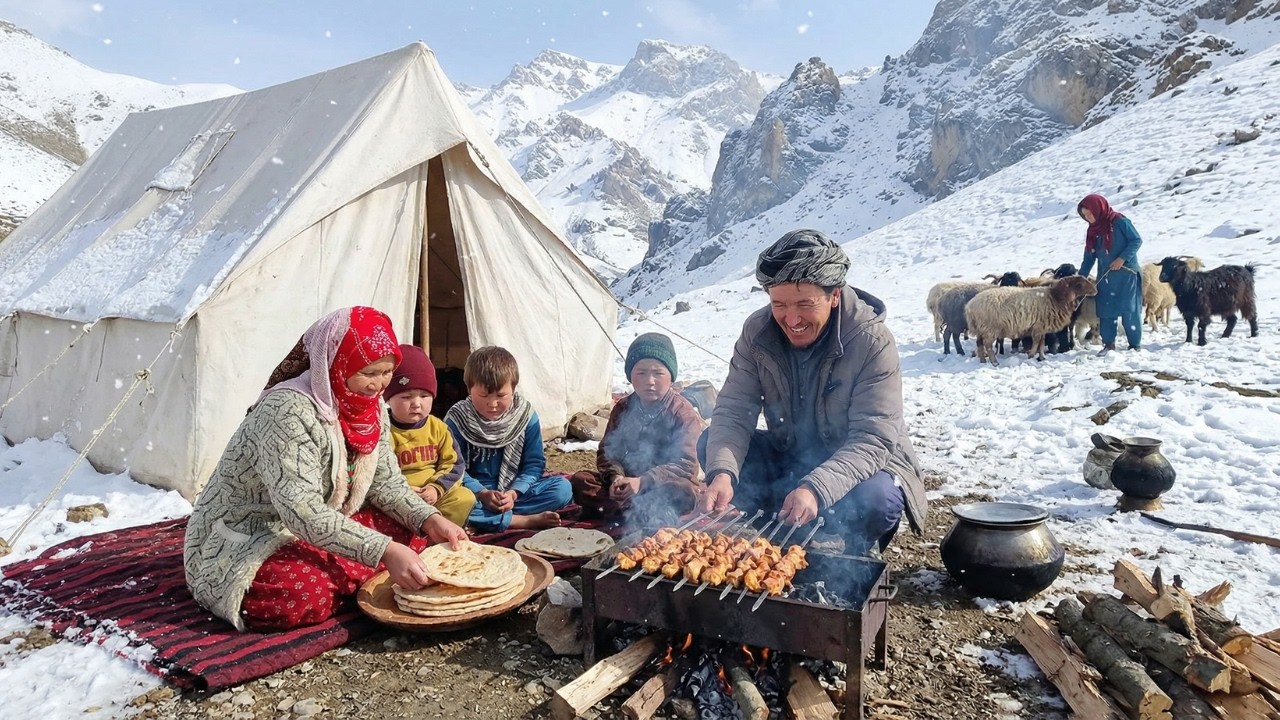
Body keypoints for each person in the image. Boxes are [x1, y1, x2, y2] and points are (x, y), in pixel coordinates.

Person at [184, 307, 468, 631]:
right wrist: (383, 551)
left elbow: (386, 484)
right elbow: (301, 511)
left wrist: (428, 519)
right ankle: (357, 573)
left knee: (416, 533)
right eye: (369, 372)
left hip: (322, 524)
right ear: (335, 361)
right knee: (297, 593)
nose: (378, 385)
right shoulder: (287, 412)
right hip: (253, 537)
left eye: (386, 372)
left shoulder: (371, 408)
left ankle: (352, 572)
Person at [697, 229, 928, 557]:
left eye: (805, 304)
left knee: (878, 499)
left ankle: (853, 555)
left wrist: (816, 488)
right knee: (712, 446)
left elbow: (873, 439)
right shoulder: (758, 334)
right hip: (792, 452)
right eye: (779, 304)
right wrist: (721, 473)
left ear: (834, 295)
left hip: (864, 463)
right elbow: (735, 408)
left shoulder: (871, 342)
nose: (791, 319)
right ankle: (783, 532)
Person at [570, 333, 703, 523]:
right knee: (580, 481)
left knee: (684, 491)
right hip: (627, 483)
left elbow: (686, 464)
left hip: (661, 485)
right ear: (631, 376)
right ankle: (643, 514)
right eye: (641, 373)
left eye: (658, 373)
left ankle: (620, 511)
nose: (650, 381)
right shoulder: (623, 408)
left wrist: (644, 481)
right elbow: (608, 452)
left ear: (671, 377)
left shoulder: (683, 413)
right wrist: (616, 477)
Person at [445, 346, 572, 532]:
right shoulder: (457, 418)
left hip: (515, 490)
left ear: (513, 388)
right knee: (452, 502)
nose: (493, 404)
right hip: (475, 492)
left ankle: (490, 520)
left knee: (562, 488)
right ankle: (522, 521)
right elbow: (453, 467)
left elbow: (534, 464)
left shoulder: (525, 415)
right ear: (469, 389)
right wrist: (482, 493)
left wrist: (513, 493)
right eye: (483, 395)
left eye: (501, 395)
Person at [384, 343, 477, 527]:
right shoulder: (383, 430)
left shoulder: (438, 428)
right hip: (400, 497)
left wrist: (437, 488)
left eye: (424, 396)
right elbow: (381, 474)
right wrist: (404, 491)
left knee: (465, 498)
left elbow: (454, 464)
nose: (416, 404)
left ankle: (436, 537)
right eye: (406, 397)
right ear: (388, 399)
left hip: (434, 495)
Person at [1078, 193, 1143, 354]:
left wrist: (1122, 258)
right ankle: (1109, 344)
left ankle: (1134, 345)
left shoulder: (1120, 222)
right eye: (1085, 216)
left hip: (1127, 274)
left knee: (1130, 310)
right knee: (1106, 311)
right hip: (1106, 276)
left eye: (1090, 213)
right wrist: (1079, 279)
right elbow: (1089, 257)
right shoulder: (1093, 231)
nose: (1089, 218)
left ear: (1098, 209)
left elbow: (1136, 240)